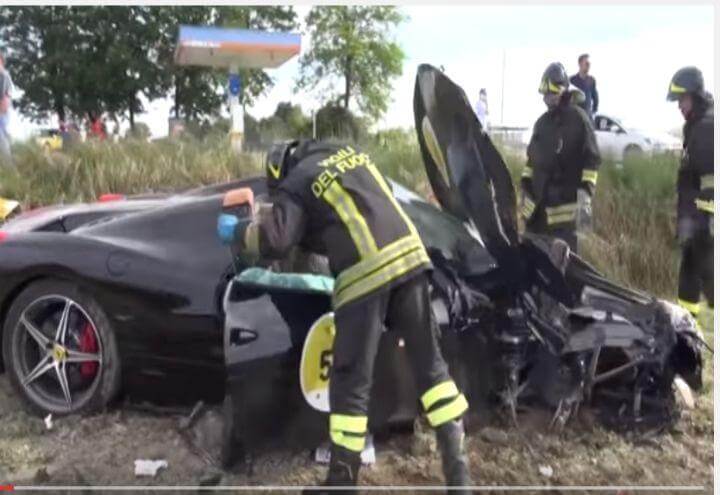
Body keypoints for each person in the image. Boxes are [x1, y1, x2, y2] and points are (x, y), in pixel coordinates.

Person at [218, 140, 473, 493]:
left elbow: (276, 239)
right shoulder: (354, 157)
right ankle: (460, 480)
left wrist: (239, 233)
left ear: (280, 172)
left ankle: (340, 484)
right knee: (433, 372)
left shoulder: (297, 181)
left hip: (366, 274)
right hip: (412, 261)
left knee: (351, 383)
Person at [520, 62, 601, 252]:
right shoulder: (541, 124)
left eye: (553, 91)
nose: (548, 98)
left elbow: (592, 159)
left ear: (564, 90)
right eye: (546, 93)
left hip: (565, 221)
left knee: (565, 273)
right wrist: (525, 185)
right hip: (536, 217)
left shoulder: (579, 119)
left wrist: (586, 194)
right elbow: (531, 161)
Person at [666, 66, 714, 325]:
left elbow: (710, 181)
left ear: (694, 96)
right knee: (688, 281)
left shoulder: (708, 127)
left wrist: (704, 222)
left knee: (711, 280)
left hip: (705, 224)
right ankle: (688, 330)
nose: (678, 106)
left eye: (681, 100)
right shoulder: (693, 128)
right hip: (694, 222)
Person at [569, 54, 599, 118]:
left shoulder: (591, 80)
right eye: (587, 63)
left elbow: (595, 98)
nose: (589, 66)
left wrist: (593, 112)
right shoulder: (571, 80)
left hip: (587, 116)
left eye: (589, 64)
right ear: (580, 64)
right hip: (575, 116)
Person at [0, 50, 14, 165]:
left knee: (2, 140)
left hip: (1, 114)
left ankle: (10, 170)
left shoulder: (4, 76)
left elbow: (6, 100)